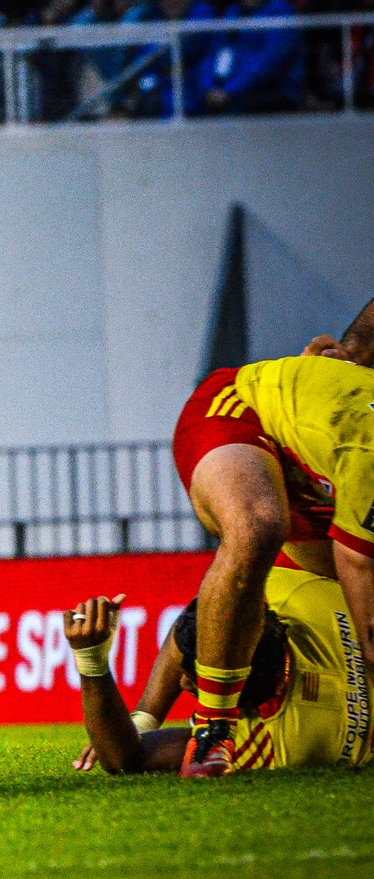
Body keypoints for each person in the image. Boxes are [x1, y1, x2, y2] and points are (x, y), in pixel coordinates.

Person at [165, 313, 374, 778]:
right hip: (242, 406)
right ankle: (213, 726)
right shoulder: (371, 458)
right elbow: (357, 565)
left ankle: (148, 714)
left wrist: (354, 350)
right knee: (256, 526)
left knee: (234, 596)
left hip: (320, 459)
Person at [65, 575, 369, 775]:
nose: (183, 683)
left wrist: (91, 659)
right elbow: (210, 620)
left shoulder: (274, 743)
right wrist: (142, 719)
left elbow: (126, 758)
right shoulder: (303, 595)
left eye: (195, 681)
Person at [195, 0, 305, 113]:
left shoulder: (281, 12)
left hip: (271, 88)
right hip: (227, 88)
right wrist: (209, 87)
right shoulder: (232, 12)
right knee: (194, 101)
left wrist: (231, 90)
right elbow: (212, 51)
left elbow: (269, 62)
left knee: (235, 110)